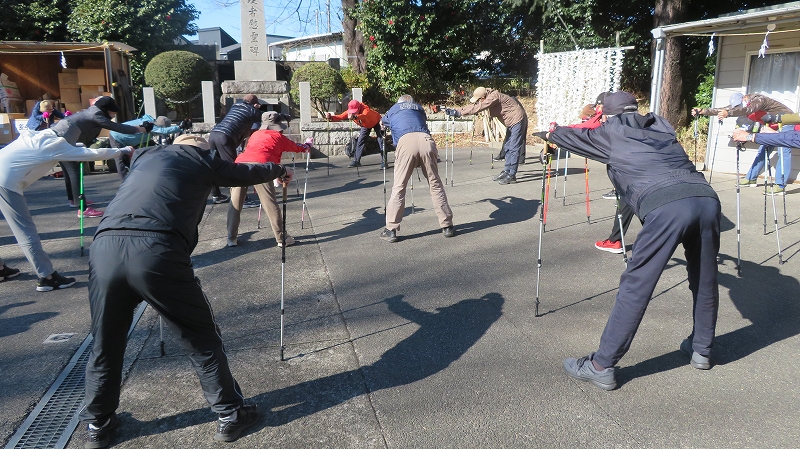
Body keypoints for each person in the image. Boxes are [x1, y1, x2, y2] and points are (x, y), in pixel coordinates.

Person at [79, 134, 293, 448]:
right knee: (200, 337)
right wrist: (278, 170)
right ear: (202, 147)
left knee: (105, 341)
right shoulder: (204, 160)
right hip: (156, 249)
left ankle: (98, 424)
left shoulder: (146, 155)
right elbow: (248, 172)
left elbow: (128, 166)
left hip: (105, 247)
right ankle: (230, 413)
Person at [541, 91, 721, 391]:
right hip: (705, 197)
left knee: (636, 285)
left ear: (607, 115)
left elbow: (569, 138)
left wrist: (550, 133)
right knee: (704, 279)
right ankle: (702, 349)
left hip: (666, 206)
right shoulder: (661, 124)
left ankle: (601, 365)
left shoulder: (610, 130)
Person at [0, 108, 133, 292]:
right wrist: (123, 150)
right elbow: (92, 155)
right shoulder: (56, 146)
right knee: (25, 232)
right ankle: (47, 277)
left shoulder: (40, 135)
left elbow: (72, 148)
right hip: (5, 184)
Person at [49, 96, 147, 216]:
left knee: (69, 172)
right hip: (64, 140)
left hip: (60, 138)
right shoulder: (96, 115)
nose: (114, 114)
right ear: (105, 109)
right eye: (113, 111)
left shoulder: (92, 111)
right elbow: (118, 127)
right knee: (74, 173)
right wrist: (141, 129)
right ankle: (83, 208)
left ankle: (74, 201)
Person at [227, 112, 312, 248]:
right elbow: (297, 148)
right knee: (270, 203)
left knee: (235, 202)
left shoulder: (254, 134)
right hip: (262, 167)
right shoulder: (279, 137)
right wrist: (307, 145)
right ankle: (281, 238)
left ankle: (231, 238)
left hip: (239, 165)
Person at [379, 94, 454, 242]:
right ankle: (447, 226)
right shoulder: (419, 108)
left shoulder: (394, 108)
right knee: (436, 185)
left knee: (399, 187)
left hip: (406, 143)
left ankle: (391, 229)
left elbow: (382, 123)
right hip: (426, 141)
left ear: (399, 102)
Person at [692, 92, 793, 192]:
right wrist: (702, 111)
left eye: (738, 104)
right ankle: (751, 179)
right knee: (763, 151)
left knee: (783, 152)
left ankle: (780, 185)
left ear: (744, 98)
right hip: (771, 125)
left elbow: (746, 110)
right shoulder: (743, 104)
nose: (738, 107)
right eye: (736, 106)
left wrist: (729, 113)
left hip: (786, 121)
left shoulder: (758, 100)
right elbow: (724, 109)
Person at [446, 87, 528, 184]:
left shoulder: (493, 97)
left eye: (479, 99)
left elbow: (479, 107)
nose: (478, 101)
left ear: (483, 97)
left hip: (517, 120)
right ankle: (507, 171)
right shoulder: (487, 96)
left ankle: (512, 174)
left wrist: (460, 113)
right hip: (511, 122)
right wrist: (456, 110)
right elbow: (475, 105)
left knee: (513, 147)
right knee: (507, 146)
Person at [208, 94, 268, 203]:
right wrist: (283, 116)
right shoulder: (252, 111)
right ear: (255, 104)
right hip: (225, 137)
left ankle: (216, 195)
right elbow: (267, 116)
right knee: (234, 169)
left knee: (212, 166)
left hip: (214, 134)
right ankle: (242, 200)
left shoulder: (235, 106)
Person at [108, 115, 181, 179]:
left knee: (141, 154)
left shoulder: (148, 121)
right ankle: (124, 181)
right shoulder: (151, 126)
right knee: (119, 159)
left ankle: (136, 176)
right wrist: (180, 127)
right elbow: (164, 131)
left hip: (125, 138)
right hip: (116, 137)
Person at [326, 99, 386, 168]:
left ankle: (384, 161)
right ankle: (356, 161)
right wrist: (331, 117)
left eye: (354, 111)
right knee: (360, 141)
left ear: (359, 108)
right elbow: (341, 116)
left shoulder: (366, 110)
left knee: (381, 140)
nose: (353, 113)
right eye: (352, 112)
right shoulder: (350, 112)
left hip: (377, 121)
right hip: (366, 125)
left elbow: (364, 116)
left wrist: (355, 117)